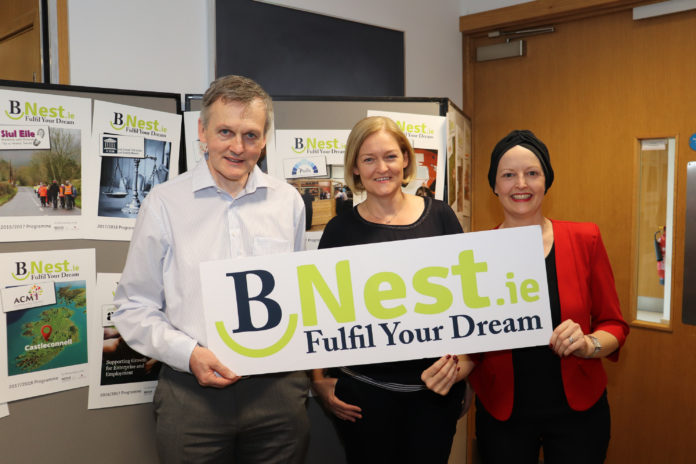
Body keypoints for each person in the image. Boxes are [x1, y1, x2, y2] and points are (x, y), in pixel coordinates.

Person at [112, 75, 310, 464]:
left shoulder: (288, 202)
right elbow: (133, 305)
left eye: (251, 135)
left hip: (278, 396)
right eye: (225, 132)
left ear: (265, 138)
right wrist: (189, 355)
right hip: (191, 400)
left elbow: (299, 292)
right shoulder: (164, 203)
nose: (238, 147)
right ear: (202, 131)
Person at [311, 116, 469, 464]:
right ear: (355, 167)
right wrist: (319, 381)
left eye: (390, 156)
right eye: (369, 159)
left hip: (434, 396)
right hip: (363, 399)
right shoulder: (339, 230)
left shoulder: (442, 218)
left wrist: (465, 365)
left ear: (406, 160)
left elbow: (470, 304)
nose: (381, 168)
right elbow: (320, 312)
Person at [467, 130, 630, 464]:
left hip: (579, 414)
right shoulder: (475, 251)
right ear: (494, 186)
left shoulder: (586, 239)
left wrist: (588, 345)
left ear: (546, 181)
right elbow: (471, 339)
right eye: (508, 175)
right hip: (503, 415)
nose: (521, 184)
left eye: (532, 173)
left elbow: (614, 325)